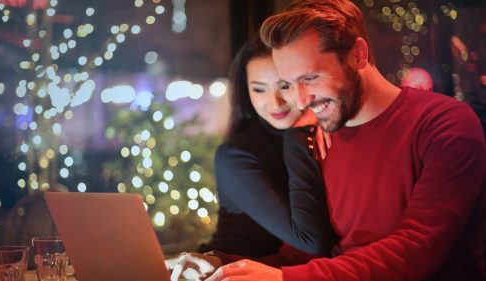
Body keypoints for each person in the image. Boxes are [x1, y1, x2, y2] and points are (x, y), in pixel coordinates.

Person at [172, 1, 486, 281]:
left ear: (359, 55)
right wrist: (222, 266)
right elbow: (304, 257)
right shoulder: (323, 134)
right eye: (289, 83)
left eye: (309, 78)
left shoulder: (445, 124)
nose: (299, 100)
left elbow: (415, 251)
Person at [167, 36, 338, 280]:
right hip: (225, 273)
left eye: (284, 86)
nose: (274, 102)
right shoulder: (236, 156)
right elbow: (311, 241)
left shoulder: (324, 133)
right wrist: (298, 134)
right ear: (246, 93)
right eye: (259, 89)